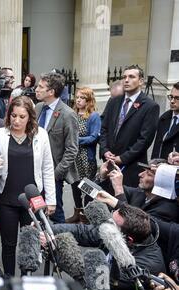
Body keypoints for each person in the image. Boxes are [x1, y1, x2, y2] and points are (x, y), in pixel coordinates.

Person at [48, 201, 166, 290]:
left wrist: (63, 252)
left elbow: (95, 280)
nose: (105, 225)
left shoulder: (147, 264)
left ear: (128, 239)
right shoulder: (112, 230)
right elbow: (82, 231)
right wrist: (49, 231)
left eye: (111, 225)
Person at [0, 96, 56, 276]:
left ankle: (26, 279)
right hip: (6, 198)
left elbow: (47, 168)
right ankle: (9, 280)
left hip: (31, 200)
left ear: (30, 117)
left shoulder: (41, 135)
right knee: (8, 244)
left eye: (22, 117)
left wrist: (51, 200)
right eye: (13, 116)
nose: (16, 121)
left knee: (29, 243)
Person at [100, 65, 160, 188]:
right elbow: (104, 129)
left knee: (125, 204)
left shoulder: (150, 106)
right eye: (124, 77)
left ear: (141, 81)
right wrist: (105, 151)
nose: (126, 80)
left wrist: (122, 158)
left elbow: (145, 139)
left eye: (131, 77)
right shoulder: (114, 101)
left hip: (131, 168)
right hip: (109, 163)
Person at [35, 72, 79, 223]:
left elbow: (72, 149)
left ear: (51, 92)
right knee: (36, 211)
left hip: (53, 174)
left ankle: (61, 243)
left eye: (41, 87)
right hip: (34, 170)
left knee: (55, 211)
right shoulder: (38, 108)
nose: (37, 89)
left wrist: (56, 174)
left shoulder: (68, 114)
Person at [98, 159, 178, 223]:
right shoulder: (140, 193)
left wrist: (119, 189)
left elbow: (134, 226)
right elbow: (110, 191)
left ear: (161, 182)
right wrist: (104, 177)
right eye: (144, 171)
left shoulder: (166, 210)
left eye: (149, 174)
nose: (140, 175)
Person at [67, 87, 101, 223]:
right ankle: (77, 213)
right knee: (74, 185)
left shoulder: (93, 116)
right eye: (77, 97)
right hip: (73, 157)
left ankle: (87, 215)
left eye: (82, 98)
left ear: (89, 101)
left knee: (87, 187)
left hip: (86, 157)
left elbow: (93, 137)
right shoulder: (73, 113)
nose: (78, 100)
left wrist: (75, 140)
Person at [151, 81, 179, 160]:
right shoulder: (164, 118)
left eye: (177, 98)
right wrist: (152, 165)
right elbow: (157, 148)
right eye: (171, 97)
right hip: (160, 168)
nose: (172, 101)